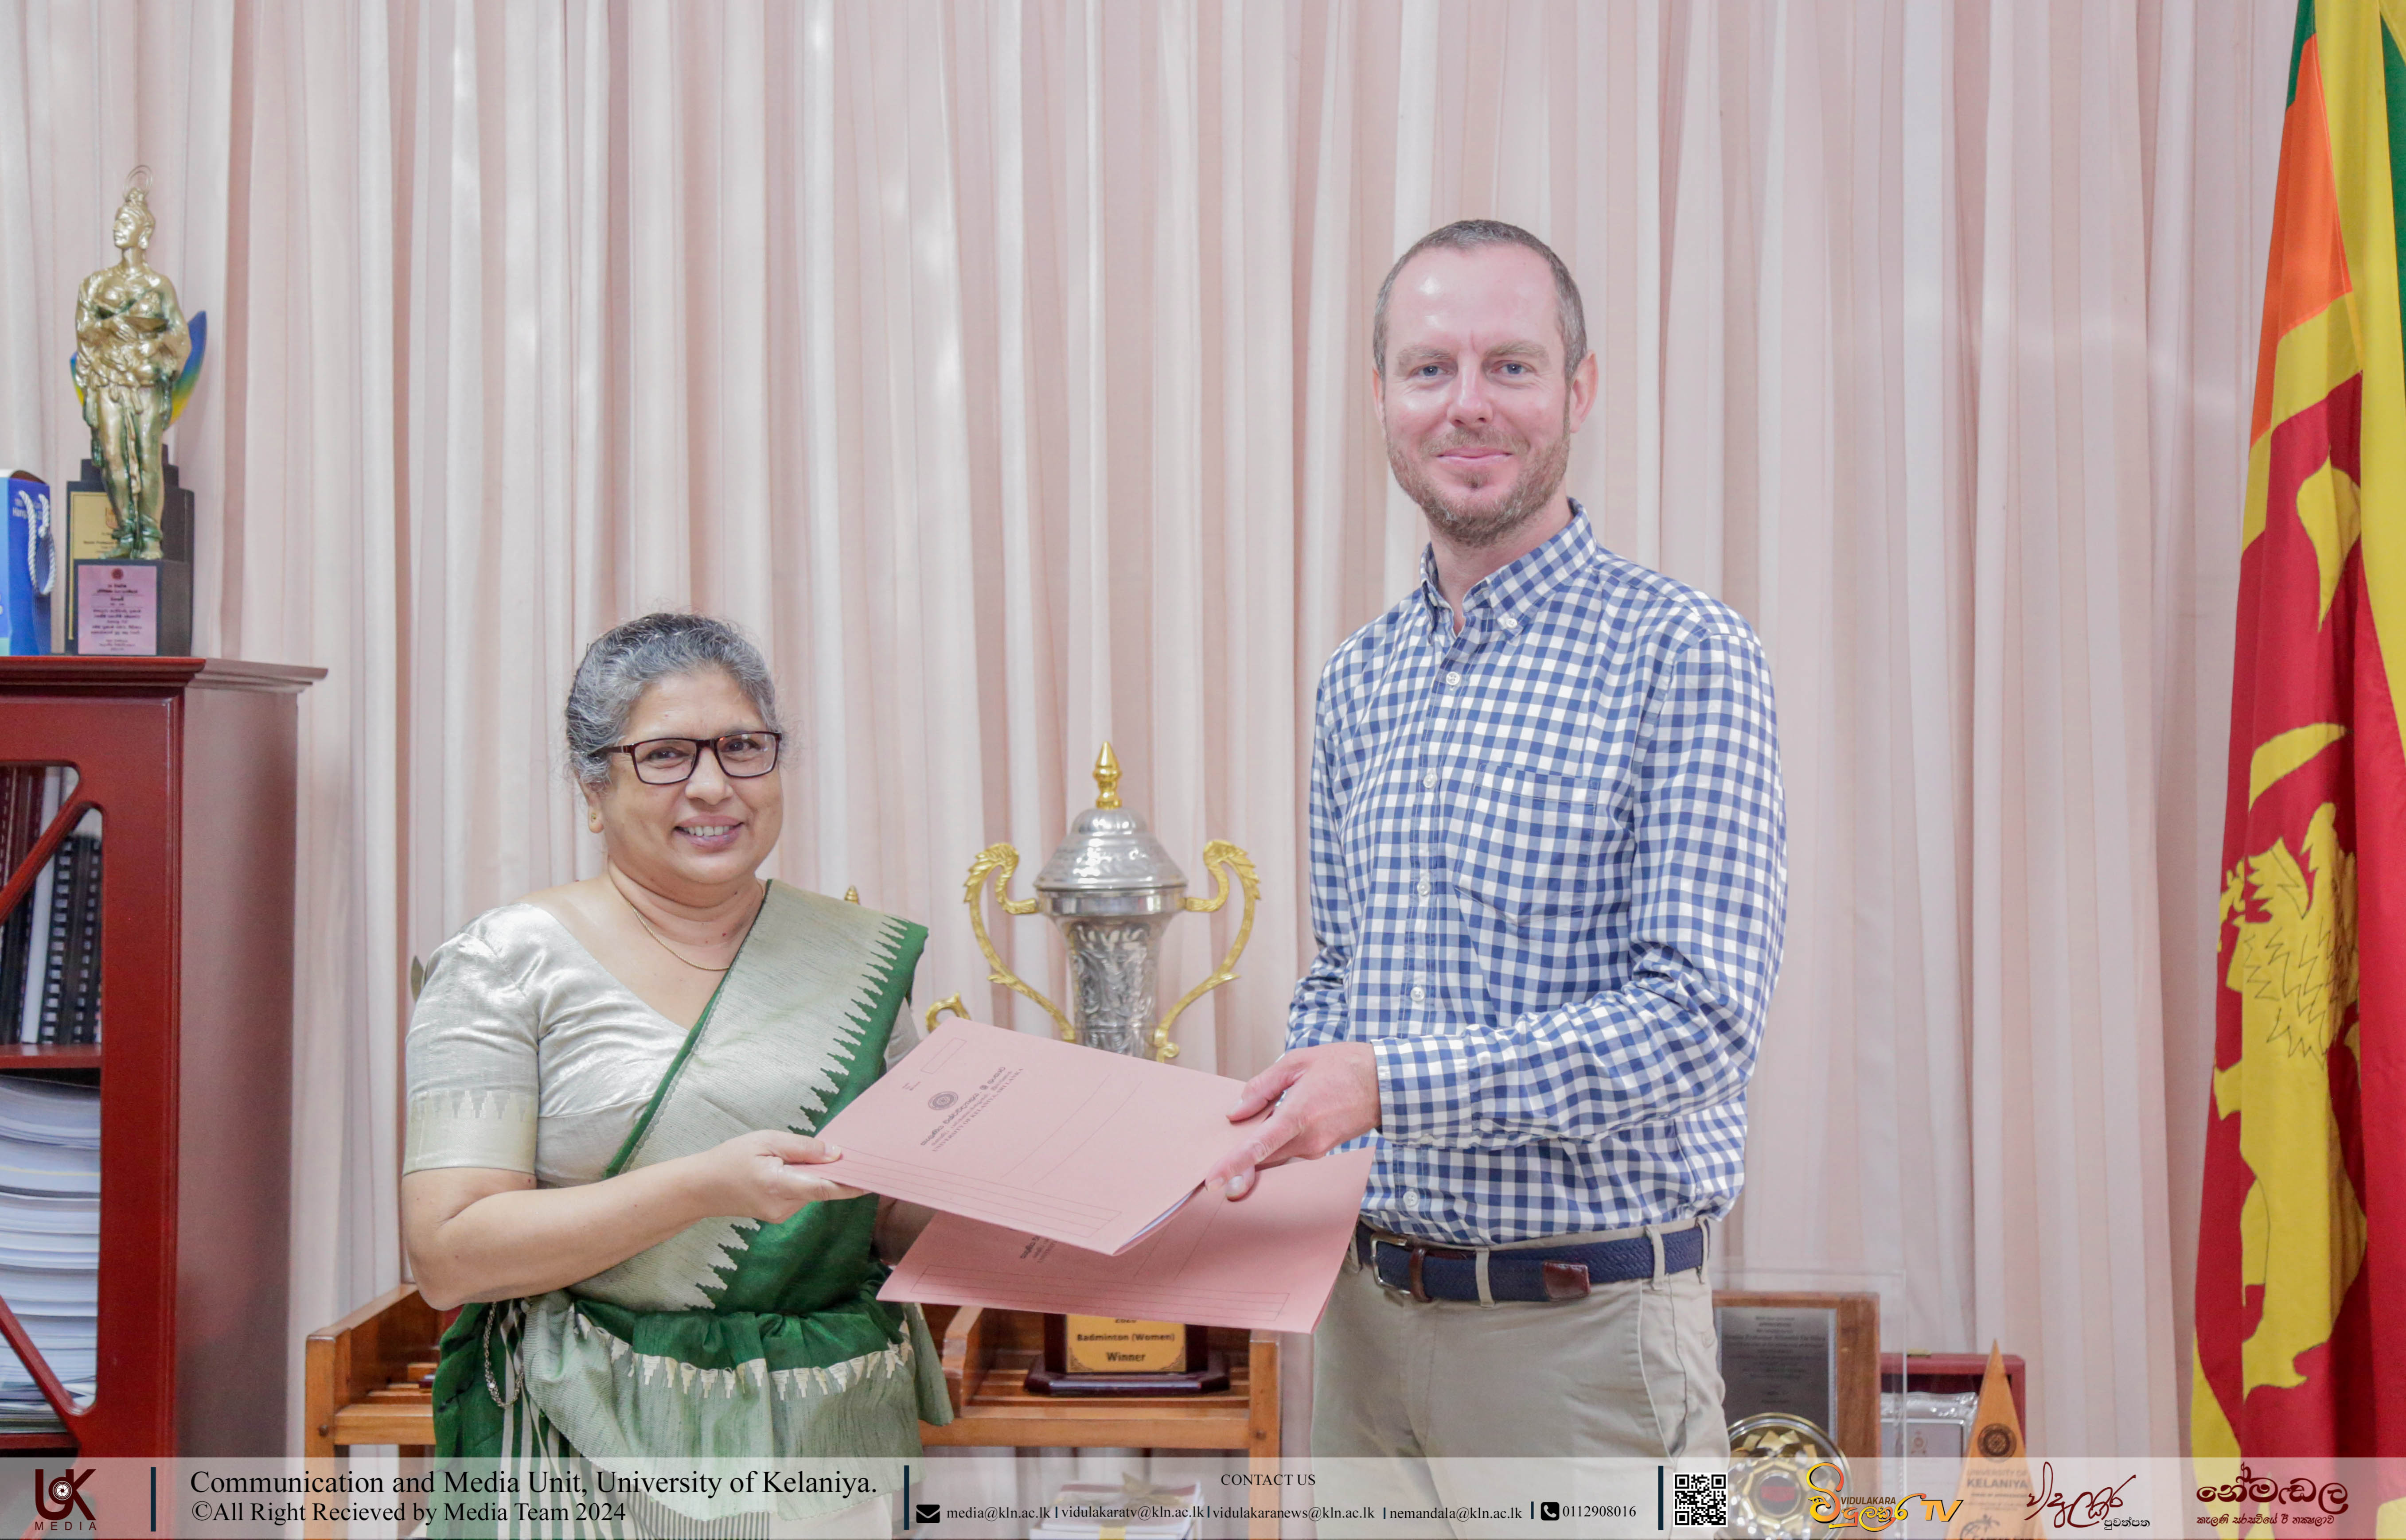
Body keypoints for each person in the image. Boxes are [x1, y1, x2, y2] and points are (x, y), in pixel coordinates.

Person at [1205, 220, 1786, 1514]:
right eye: (1427, 369)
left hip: (1580, 1351)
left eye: (1510, 366)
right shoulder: (1357, 681)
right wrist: (1259, 1114)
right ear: (1380, 400)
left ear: (1578, 390)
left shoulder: (1681, 653)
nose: (1466, 403)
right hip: (1359, 1335)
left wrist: (1377, 1082)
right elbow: (1346, 978)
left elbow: (1698, 1024)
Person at [402, 613, 948, 1538]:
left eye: (743, 747)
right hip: (583, 1449)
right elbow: (448, 1252)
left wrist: (1053, 1200)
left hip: (828, 1442)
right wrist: (705, 1186)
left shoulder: (852, 958)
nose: (713, 786)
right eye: (664, 756)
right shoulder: (508, 962)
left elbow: (888, 1209)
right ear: (593, 784)